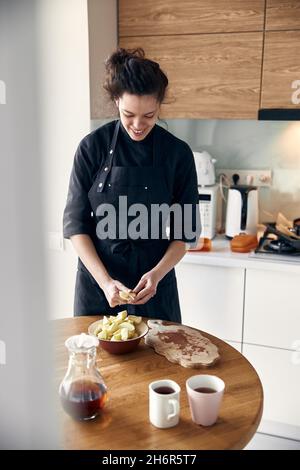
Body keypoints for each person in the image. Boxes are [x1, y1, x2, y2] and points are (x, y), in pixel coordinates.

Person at [63, 48, 200, 322]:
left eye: (149, 115)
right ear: (116, 101)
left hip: (155, 290)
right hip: (97, 290)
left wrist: (157, 274)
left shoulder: (177, 154)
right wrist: (105, 282)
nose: (138, 125)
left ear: (159, 105)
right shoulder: (92, 148)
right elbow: (76, 226)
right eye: (129, 114)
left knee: (160, 363)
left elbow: (184, 234)